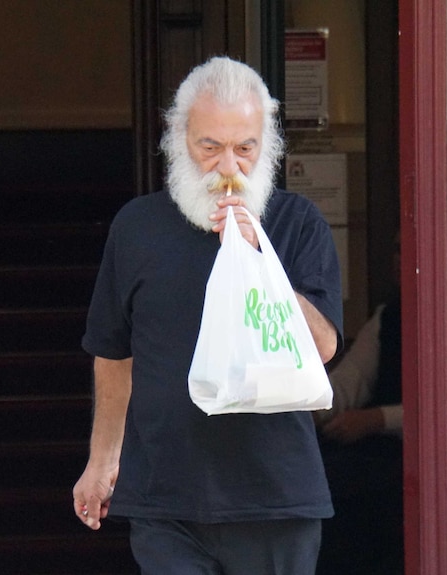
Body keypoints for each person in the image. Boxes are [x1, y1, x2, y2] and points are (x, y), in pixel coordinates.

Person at [72, 56, 344, 575]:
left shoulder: (298, 225)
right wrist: (103, 461)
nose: (228, 168)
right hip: (164, 500)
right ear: (179, 138)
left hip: (275, 501)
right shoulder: (137, 227)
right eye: (209, 147)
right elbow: (113, 354)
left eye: (245, 148)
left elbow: (324, 347)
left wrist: (260, 257)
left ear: (268, 145)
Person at [313, 293, 404, 575]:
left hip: (412, 455)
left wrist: (377, 419)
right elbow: (351, 382)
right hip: (369, 450)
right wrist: (306, 408)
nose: (400, 260)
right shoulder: (389, 315)